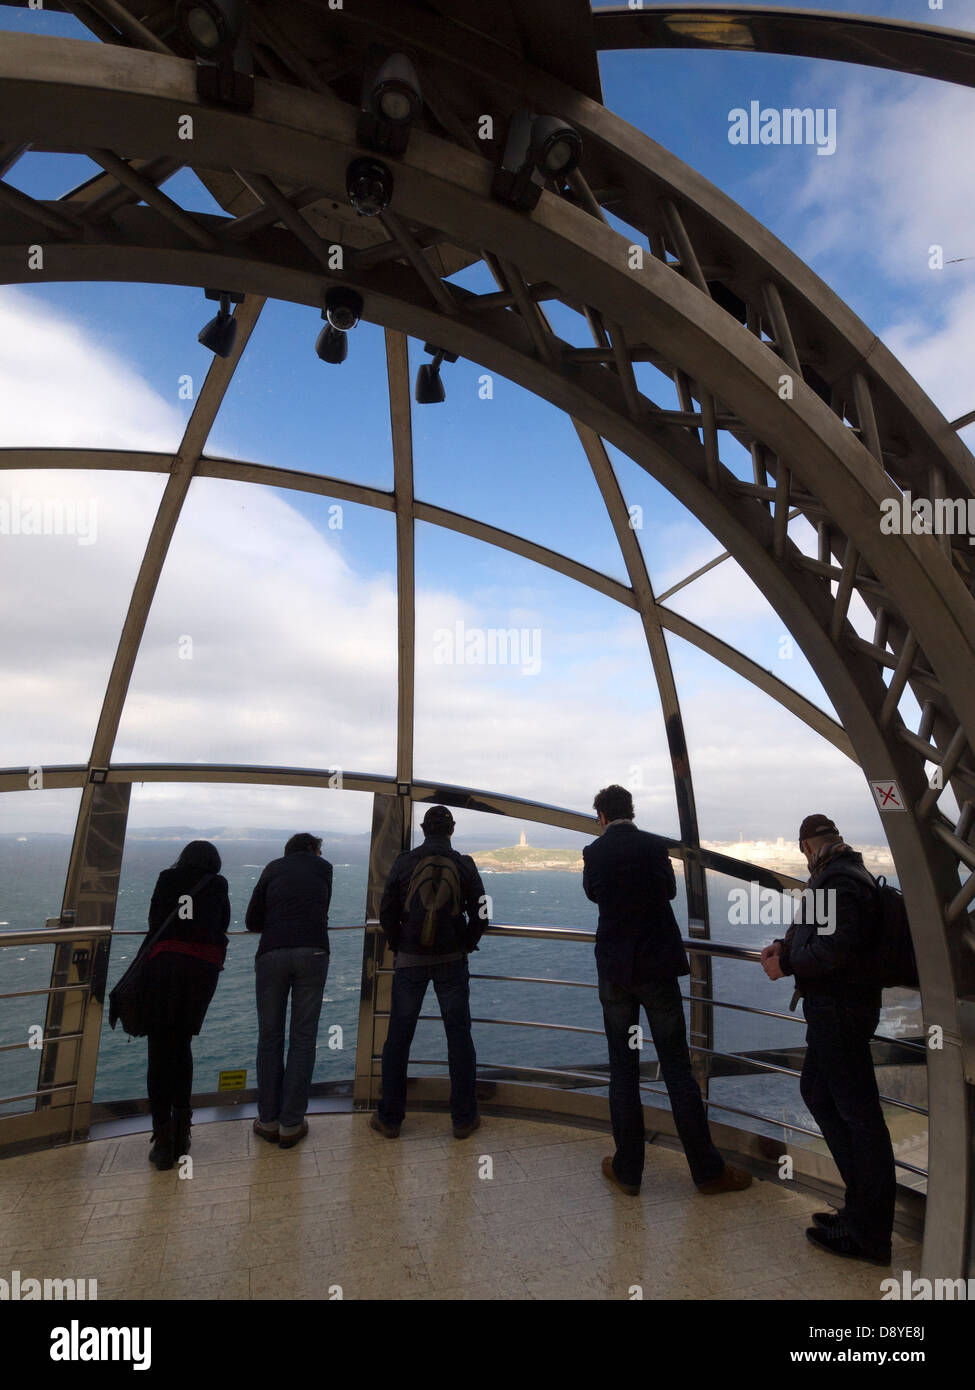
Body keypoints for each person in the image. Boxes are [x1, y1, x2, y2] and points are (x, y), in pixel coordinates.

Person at [583, 785, 752, 1198]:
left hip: (617, 974)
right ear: (631, 811)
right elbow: (669, 891)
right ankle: (707, 1171)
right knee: (677, 1068)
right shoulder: (654, 847)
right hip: (657, 970)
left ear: (602, 816)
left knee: (622, 1070)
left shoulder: (595, 853)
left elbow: (594, 894)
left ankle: (628, 1171)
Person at [761, 813, 895, 1265]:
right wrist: (785, 945)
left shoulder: (837, 881)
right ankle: (858, 1212)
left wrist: (790, 965)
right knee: (817, 1092)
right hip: (837, 1009)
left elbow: (836, 949)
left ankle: (869, 1234)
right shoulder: (843, 874)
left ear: (805, 846)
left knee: (859, 1117)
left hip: (839, 1009)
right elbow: (818, 934)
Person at [374, 805, 488, 1139]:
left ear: (423, 829)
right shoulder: (464, 864)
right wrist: (464, 944)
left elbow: (386, 913)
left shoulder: (405, 861)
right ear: (451, 830)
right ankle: (464, 1119)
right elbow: (482, 913)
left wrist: (400, 943)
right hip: (452, 960)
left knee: (398, 1038)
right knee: (459, 1037)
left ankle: (390, 1119)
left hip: (410, 961)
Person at [144, 840, 230, 1171]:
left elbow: (155, 921)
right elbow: (221, 923)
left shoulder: (167, 878)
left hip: (165, 969)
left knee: (158, 1050)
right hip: (200, 974)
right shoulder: (218, 883)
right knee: (182, 1047)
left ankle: (162, 1138)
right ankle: (182, 1135)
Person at [246, 832, 332, 1150]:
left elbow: (252, 919)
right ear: (313, 850)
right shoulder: (325, 869)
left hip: (271, 953)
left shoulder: (272, 868)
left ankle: (267, 1119)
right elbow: (320, 909)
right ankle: (291, 1124)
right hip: (313, 952)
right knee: (303, 1039)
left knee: (269, 1037)